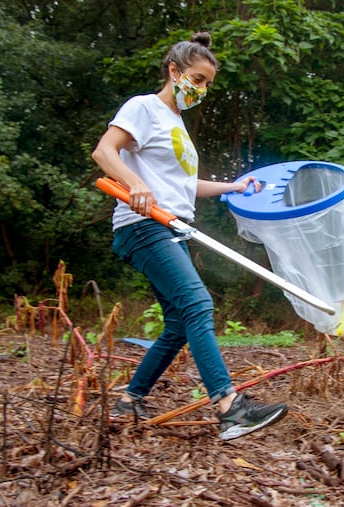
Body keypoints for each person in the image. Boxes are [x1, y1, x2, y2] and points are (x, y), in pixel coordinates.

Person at [91, 31, 288, 441]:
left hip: (170, 226)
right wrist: (134, 184)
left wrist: (232, 188)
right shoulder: (144, 108)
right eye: (197, 79)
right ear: (174, 70)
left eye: (208, 85)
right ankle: (231, 408)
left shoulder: (176, 123)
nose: (202, 89)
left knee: (180, 323)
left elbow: (183, 185)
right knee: (198, 303)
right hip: (142, 225)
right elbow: (104, 152)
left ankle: (130, 401)